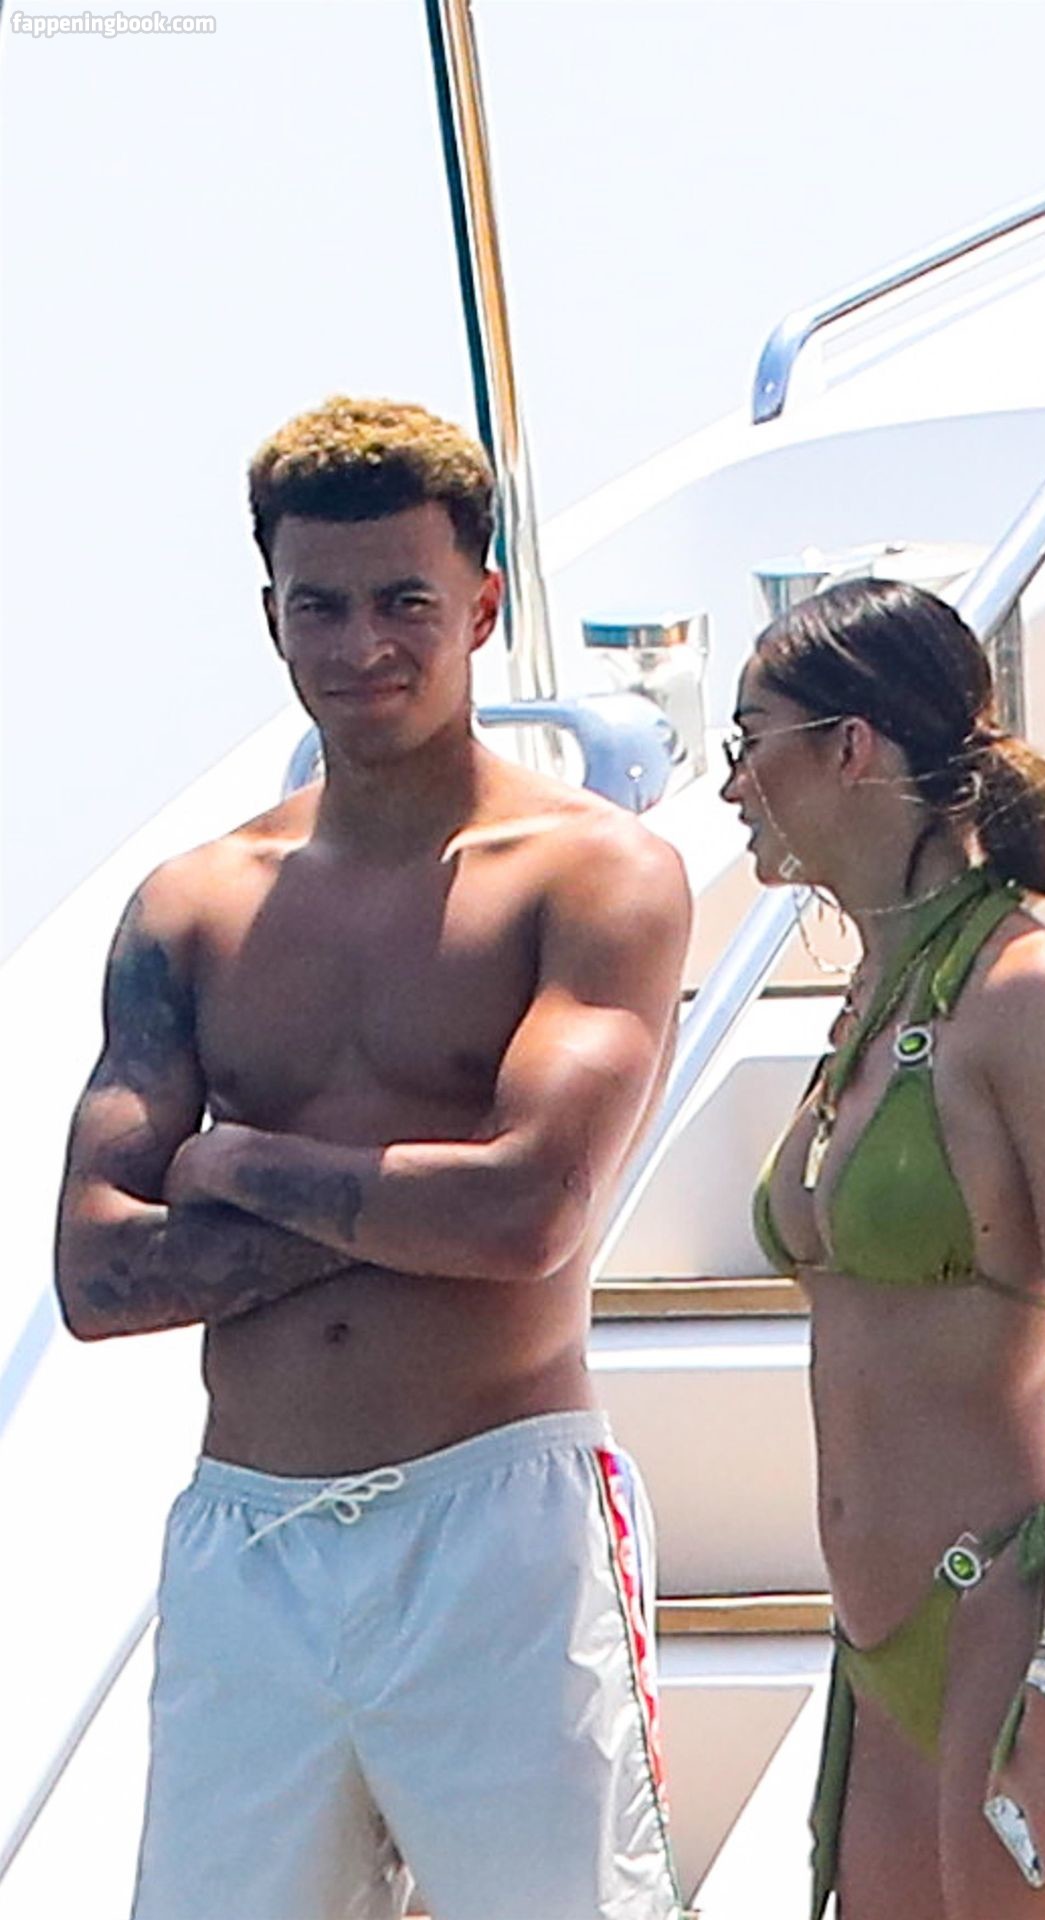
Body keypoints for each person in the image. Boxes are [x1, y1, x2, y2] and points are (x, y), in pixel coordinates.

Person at [54, 396, 692, 1920]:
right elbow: (97, 1272)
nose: (361, 646)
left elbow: (526, 1214)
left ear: (482, 604)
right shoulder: (192, 905)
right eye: (319, 606)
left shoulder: (594, 876)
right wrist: (414, 1205)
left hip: (497, 1522)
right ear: (270, 615)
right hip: (251, 1534)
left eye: (405, 601)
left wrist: (237, 1164)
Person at [721, 576, 1045, 1918]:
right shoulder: (880, 992)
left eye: (748, 742)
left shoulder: (1032, 988)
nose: (732, 787)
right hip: (886, 1643)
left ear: (850, 747)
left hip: (1031, 1632)